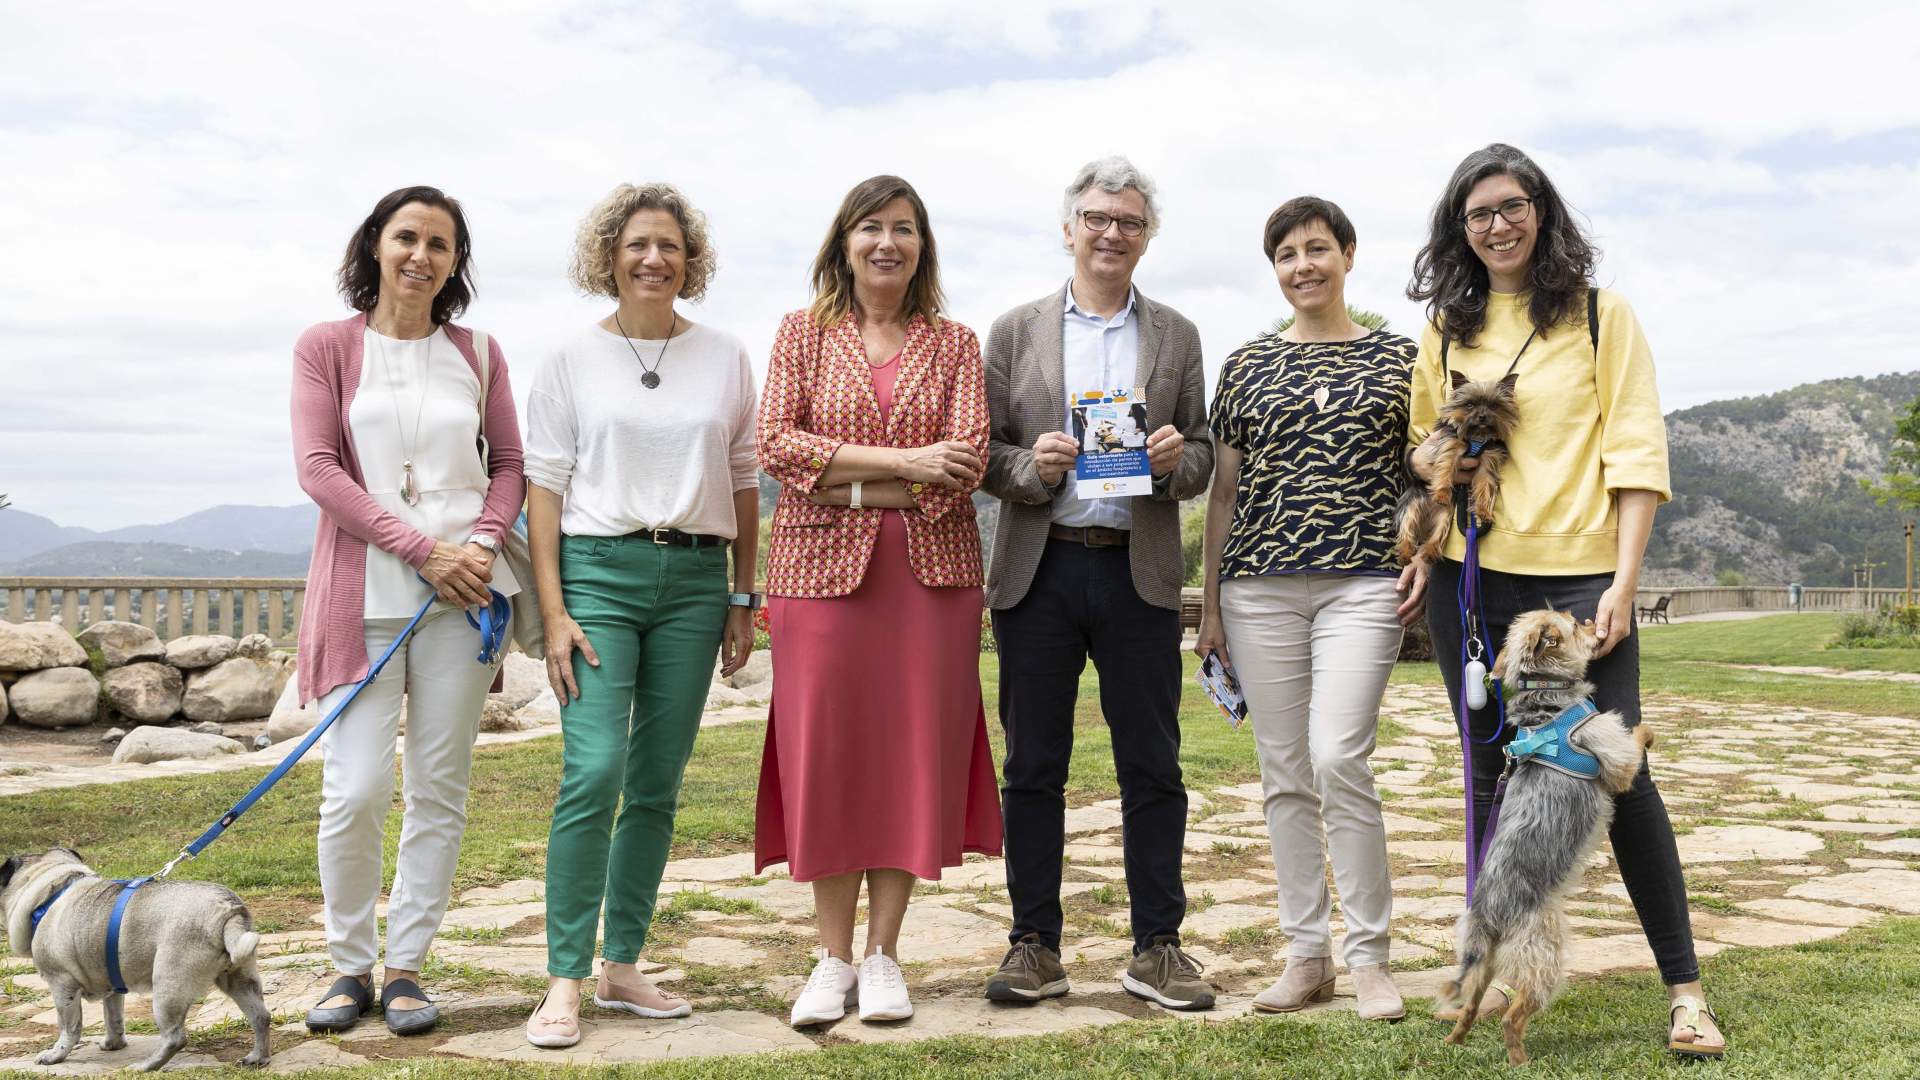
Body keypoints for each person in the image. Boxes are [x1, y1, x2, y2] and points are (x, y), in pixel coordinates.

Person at [1407, 143, 1725, 1058]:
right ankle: (1486, 968)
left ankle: (1686, 992)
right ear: (1458, 230)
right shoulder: (1445, 326)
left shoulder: (1599, 316)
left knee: (1620, 777)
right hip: (1476, 581)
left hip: (1582, 581)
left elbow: (1635, 449)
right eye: (1477, 215)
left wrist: (1623, 580)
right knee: (1489, 779)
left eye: (1512, 207)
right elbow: (1427, 454)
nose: (1496, 226)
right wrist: (1433, 508)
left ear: (1541, 212)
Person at [755, 175, 1001, 1028]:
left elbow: (964, 460)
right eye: (871, 227)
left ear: (922, 245)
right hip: (815, 578)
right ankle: (830, 961)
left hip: (932, 579)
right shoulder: (801, 333)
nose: (886, 242)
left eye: (903, 228)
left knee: (909, 758)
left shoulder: (957, 343)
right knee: (830, 757)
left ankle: (886, 955)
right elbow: (779, 448)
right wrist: (902, 466)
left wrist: (846, 478)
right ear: (845, 241)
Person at [520, 183, 761, 1048]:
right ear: (608, 257)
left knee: (656, 782)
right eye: (637, 245)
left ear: (690, 259)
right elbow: (541, 492)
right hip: (599, 574)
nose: (654, 258)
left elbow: (742, 476)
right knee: (593, 770)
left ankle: (621, 963)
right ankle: (563, 978)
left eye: (670, 245)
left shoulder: (727, 355)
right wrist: (553, 611)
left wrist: (743, 593)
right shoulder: (568, 360)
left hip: (698, 580)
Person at [980, 156, 1215, 1011]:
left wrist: (1172, 460)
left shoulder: (1179, 336)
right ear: (1069, 225)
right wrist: (1030, 465)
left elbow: (1203, 457)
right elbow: (986, 455)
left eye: (1129, 221)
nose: (1111, 232)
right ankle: (1034, 945)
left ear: (1146, 238)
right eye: (1097, 217)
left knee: (1152, 765)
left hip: (1138, 574)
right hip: (1039, 574)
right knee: (1034, 765)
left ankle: (1158, 946)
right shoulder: (1014, 332)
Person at [291, 185, 524, 1036]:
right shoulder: (326, 347)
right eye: (407, 238)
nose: (422, 255)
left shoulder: (480, 352)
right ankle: (346, 964)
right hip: (369, 603)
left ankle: (406, 969)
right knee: (353, 792)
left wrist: (481, 548)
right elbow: (319, 469)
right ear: (376, 246)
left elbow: (510, 467)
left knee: (439, 790)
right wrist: (423, 549)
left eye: (440, 243)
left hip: (465, 602)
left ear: (456, 261)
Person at [1195, 196, 1424, 1021]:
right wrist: (1212, 603)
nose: (1303, 265)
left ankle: (1370, 956)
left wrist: (1424, 553)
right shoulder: (1246, 365)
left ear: (1349, 255)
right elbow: (1223, 492)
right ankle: (1306, 955)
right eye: (1287, 254)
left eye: (1317, 248)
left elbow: (1427, 476)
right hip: (1258, 587)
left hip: (1363, 581)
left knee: (1337, 756)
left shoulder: (1402, 359)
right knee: (1283, 773)